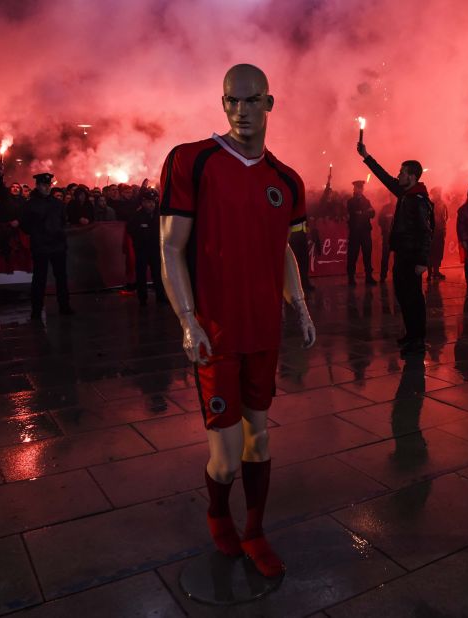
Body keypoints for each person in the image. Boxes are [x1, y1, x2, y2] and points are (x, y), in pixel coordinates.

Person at [159, 64, 315, 578]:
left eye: (251, 101)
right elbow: (171, 246)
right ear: (222, 103)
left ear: (269, 104)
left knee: (262, 438)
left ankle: (255, 528)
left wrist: (300, 304)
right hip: (217, 333)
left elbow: (285, 249)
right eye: (232, 101)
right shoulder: (191, 161)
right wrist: (188, 319)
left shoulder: (286, 179)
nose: (241, 111)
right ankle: (216, 511)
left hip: (263, 330)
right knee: (225, 459)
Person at [357, 141, 433, 354]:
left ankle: (418, 339)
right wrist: (367, 157)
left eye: (402, 173)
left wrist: (422, 261)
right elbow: (384, 177)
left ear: (411, 177)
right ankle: (410, 335)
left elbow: (425, 232)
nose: (398, 175)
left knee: (414, 298)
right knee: (403, 296)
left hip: (412, 257)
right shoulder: (406, 195)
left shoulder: (417, 200)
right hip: (402, 254)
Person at [20, 172, 74, 319]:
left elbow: (63, 221)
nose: (47, 188)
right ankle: (36, 310)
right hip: (41, 246)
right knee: (39, 278)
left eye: (48, 185)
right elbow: (24, 225)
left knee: (61, 277)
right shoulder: (30, 205)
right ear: (37, 186)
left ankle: (64, 306)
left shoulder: (58, 204)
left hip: (57, 245)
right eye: (44, 185)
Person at [127, 188, 166, 306]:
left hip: (155, 249)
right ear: (143, 202)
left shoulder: (159, 215)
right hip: (142, 249)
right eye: (148, 202)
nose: (151, 205)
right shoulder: (137, 216)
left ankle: (160, 297)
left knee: (157, 274)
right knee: (141, 274)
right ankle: (142, 299)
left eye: (153, 202)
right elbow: (131, 230)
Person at [346, 180, 376, 286]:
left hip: (365, 231)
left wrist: (363, 213)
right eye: (356, 188)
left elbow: (372, 213)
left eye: (360, 188)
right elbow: (354, 214)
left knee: (367, 254)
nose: (358, 190)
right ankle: (351, 277)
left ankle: (368, 276)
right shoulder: (350, 201)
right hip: (355, 232)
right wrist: (365, 213)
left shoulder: (366, 201)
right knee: (353, 255)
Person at [428, 187, 448, 280]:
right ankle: (430, 272)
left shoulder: (443, 204)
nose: (439, 194)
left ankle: (436, 271)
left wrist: (443, 229)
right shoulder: (429, 203)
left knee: (438, 252)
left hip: (440, 231)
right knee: (431, 252)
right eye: (437, 192)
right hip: (432, 232)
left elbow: (445, 217)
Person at [378, 199, 395, 281]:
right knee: (385, 255)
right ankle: (383, 275)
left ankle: (397, 274)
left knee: (398, 257)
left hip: (397, 236)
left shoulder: (402, 207)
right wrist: (385, 229)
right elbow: (380, 220)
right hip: (387, 236)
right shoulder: (386, 208)